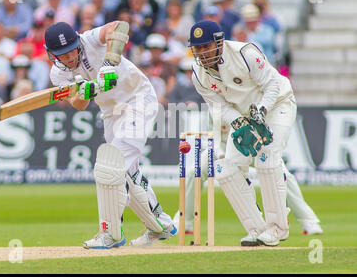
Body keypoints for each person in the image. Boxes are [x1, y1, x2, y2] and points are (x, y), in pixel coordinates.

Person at [44, 21, 177, 249]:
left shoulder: (89, 40)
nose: (69, 58)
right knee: (127, 172)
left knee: (111, 166)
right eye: (62, 55)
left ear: (78, 42)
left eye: (72, 51)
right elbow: (78, 105)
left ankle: (111, 233)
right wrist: (85, 91)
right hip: (111, 112)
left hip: (138, 99)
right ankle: (161, 226)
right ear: (51, 55)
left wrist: (109, 62)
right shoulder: (58, 74)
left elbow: (120, 26)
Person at [188, 20, 296, 246]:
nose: (201, 53)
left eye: (206, 46)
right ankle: (257, 229)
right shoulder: (198, 74)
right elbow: (219, 106)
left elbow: (272, 86)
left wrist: (261, 113)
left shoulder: (245, 53)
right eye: (197, 48)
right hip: (243, 115)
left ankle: (277, 228)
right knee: (224, 168)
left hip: (277, 105)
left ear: (219, 42)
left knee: (266, 159)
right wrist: (241, 123)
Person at [172, 122, 323, 236]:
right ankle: (184, 221)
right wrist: (220, 153)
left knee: (284, 175)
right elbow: (214, 135)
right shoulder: (216, 100)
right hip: (224, 149)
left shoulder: (248, 96)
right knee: (193, 172)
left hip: (255, 148)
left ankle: (308, 221)